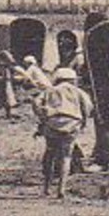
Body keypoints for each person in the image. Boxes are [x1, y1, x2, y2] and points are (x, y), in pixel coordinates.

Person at [35, 67, 93, 200]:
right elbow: (88, 106)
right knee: (66, 157)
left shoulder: (50, 90)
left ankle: (46, 188)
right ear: (73, 80)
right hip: (72, 124)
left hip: (52, 124)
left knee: (50, 154)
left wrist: (43, 116)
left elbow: (36, 103)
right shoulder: (78, 91)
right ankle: (61, 189)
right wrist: (83, 119)